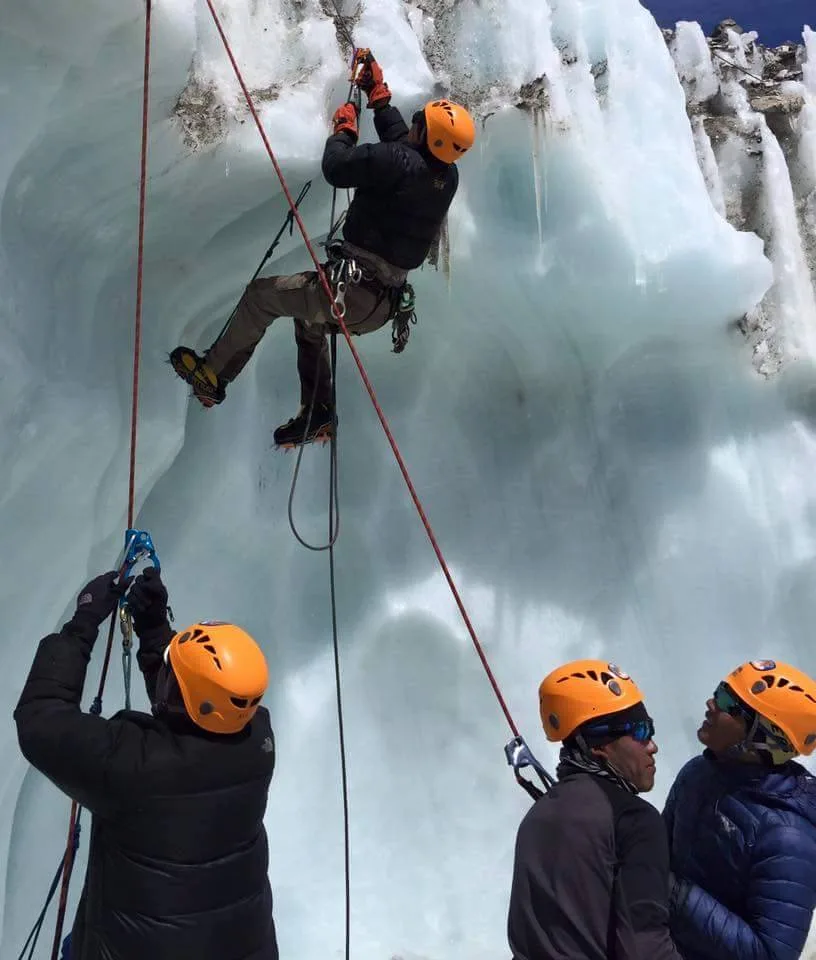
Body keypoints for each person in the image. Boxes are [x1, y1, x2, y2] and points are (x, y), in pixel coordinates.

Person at [170, 50, 476, 447]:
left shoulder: (400, 160)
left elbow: (338, 167)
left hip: (351, 290)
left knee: (262, 297)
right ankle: (317, 411)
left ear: (427, 135)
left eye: (420, 121)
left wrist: (343, 132)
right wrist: (378, 98)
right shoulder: (445, 177)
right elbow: (404, 151)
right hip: (380, 304)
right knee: (309, 322)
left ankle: (212, 376)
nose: (415, 123)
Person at [14, 567, 278, 960]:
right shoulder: (258, 743)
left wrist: (82, 623)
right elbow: (190, 707)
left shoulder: (135, 766)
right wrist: (154, 630)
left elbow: (41, 720)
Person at [507, 658, 683, 960]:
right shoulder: (634, 821)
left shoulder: (537, 816)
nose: (653, 745)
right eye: (641, 732)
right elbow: (644, 949)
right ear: (600, 744)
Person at [663, 659, 816, 960]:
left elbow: (771, 954)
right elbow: (657, 851)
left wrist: (673, 893)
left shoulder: (788, 838)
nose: (711, 703)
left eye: (727, 703)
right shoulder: (697, 772)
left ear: (762, 738)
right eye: (720, 691)